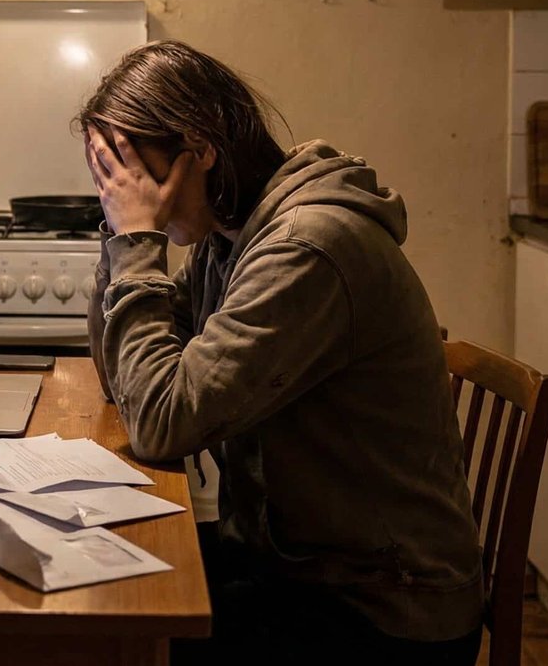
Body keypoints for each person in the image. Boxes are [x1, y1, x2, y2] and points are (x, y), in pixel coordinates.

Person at [77, 41, 484, 664]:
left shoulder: (307, 248)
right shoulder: (231, 235)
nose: (121, 192)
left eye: (127, 171)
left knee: (114, 635)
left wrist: (137, 241)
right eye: (110, 178)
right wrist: (118, 235)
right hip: (294, 567)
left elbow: (161, 424)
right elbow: (127, 384)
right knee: (108, 590)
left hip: (380, 608)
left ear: (201, 150)